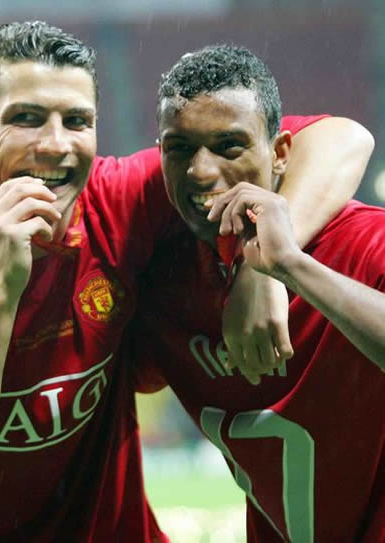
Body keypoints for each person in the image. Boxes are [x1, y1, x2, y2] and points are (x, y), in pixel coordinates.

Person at [0, 20, 374, 542]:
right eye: (27, 119)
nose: (57, 144)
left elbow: (341, 138)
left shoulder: (121, 200)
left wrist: (260, 265)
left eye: (77, 120)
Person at [133, 44, 384, 542]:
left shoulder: (361, 243)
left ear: (280, 153)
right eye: (179, 148)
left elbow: (348, 136)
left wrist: (287, 266)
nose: (202, 172)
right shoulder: (164, 284)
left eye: (229, 147)